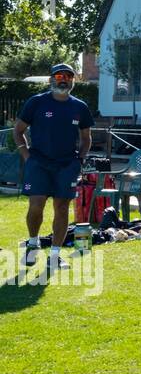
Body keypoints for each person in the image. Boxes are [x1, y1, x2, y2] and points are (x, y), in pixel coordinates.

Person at [13, 64, 92, 271]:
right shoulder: (36, 102)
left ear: (73, 80)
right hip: (38, 163)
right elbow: (18, 131)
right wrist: (27, 155)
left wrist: (80, 160)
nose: (63, 79)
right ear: (52, 79)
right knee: (36, 205)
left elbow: (86, 137)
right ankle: (33, 243)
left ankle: (55, 255)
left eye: (68, 76)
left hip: (67, 165)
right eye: (59, 75)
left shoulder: (80, 106)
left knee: (62, 208)